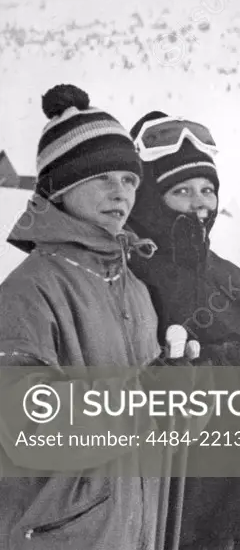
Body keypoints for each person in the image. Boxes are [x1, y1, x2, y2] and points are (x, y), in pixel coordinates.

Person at [124, 113, 240, 550]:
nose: (199, 202)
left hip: (239, 494)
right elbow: (143, 378)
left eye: (207, 189)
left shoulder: (227, 275)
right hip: (166, 504)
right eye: (181, 191)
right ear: (150, 197)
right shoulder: (131, 273)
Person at [0, 84, 165, 549]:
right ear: (61, 186)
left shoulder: (135, 291)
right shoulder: (26, 292)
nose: (121, 192)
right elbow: (28, 430)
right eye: (103, 177)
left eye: (130, 180)